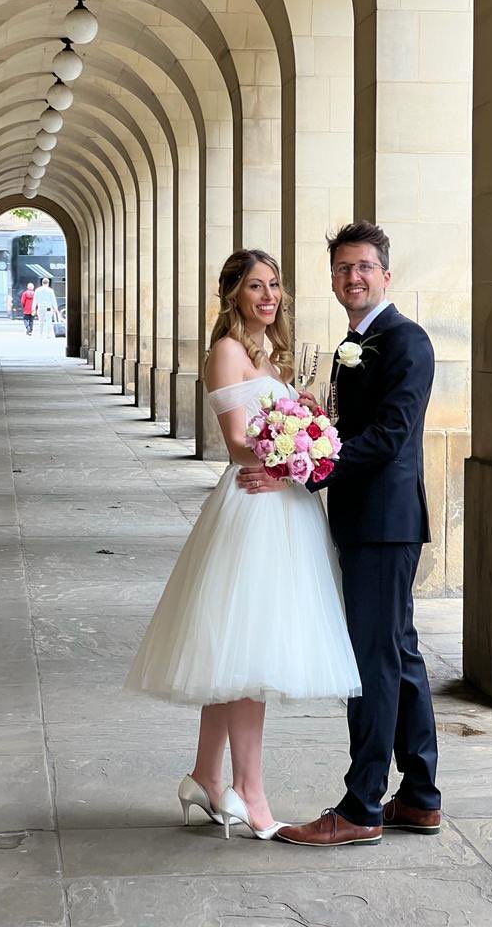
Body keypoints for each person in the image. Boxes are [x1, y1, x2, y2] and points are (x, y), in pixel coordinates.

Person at [125, 249, 360, 840]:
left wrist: (303, 418)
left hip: (280, 503)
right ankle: (250, 793)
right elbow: (235, 443)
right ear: (232, 294)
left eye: (275, 285)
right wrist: (292, 449)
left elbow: (271, 423)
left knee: (234, 652)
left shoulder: (268, 357)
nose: (268, 296)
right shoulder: (227, 352)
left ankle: (207, 776)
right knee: (249, 654)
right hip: (254, 506)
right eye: (255, 286)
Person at [239, 220, 442, 846]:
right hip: (365, 520)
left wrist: (304, 467)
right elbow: (349, 425)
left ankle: (360, 809)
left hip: (384, 523)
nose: (352, 277)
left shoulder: (406, 341)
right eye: (342, 269)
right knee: (399, 654)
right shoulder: (357, 342)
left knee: (371, 663)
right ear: (332, 279)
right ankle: (419, 795)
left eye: (363, 267)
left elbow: (388, 438)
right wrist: (309, 425)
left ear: (386, 273)